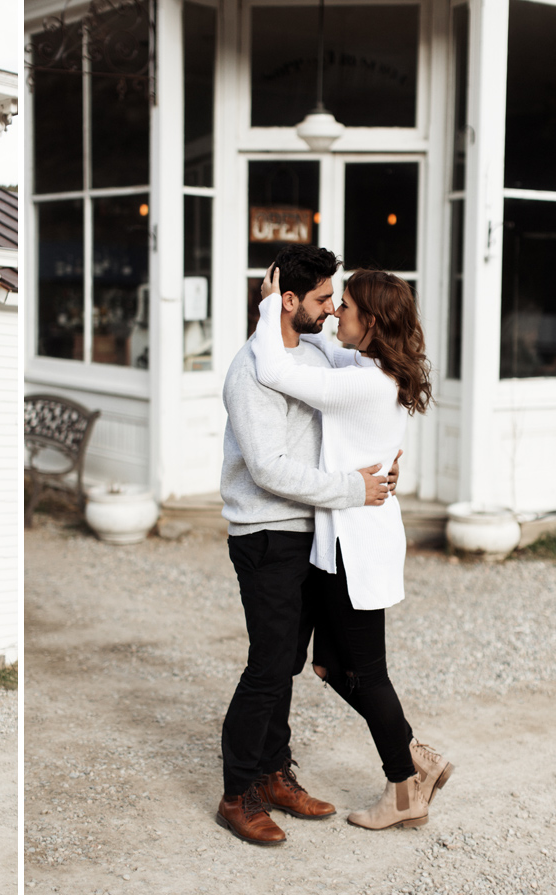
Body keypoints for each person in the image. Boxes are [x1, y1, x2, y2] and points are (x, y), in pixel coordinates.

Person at [250, 265, 454, 831]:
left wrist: (273, 304)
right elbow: (314, 350)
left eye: (347, 306)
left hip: (355, 545)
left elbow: (273, 367)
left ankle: (404, 786)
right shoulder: (369, 365)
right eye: (332, 301)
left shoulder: (365, 382)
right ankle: (416, 757)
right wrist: (298, 315)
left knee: (366, 672)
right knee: (327, 665)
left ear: (371, 323)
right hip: (345, 539)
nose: (336, 311)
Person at [216, 244, 397, 846]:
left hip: (308, 533)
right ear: (288, 301)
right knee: (267, 667)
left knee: (288, 666)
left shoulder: (317, 349)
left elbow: (366, 402)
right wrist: (352, 489)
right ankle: (237, 793)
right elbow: (267, 469)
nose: (331, 309)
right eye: (322, 299)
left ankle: (272, 773)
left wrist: (384, 465)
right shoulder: (251, 371)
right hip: (266, 532)